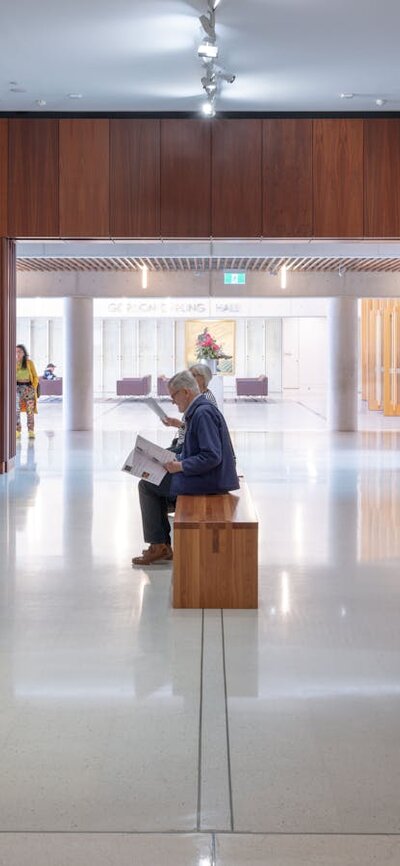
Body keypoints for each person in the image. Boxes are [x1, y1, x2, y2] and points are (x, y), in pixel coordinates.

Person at [132, 370, 239, 566]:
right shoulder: (199, 410)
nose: (173, 402)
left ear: (186, 392)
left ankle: (160, 546)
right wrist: (171, 458)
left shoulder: (203, 413)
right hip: (206, 475)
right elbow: (196, 450)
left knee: (147, 485)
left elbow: (211, 456)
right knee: (154, 480)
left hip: (211, 480)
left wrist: (180, 465)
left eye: (174, 396)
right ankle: (161, 543)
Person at [16, 344, 39, 440]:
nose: (17, 353)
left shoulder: (29, 363)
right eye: (16, 351)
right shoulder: (13, 362)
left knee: (30, 411)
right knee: (16, 410)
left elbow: (35, 376)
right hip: (17, 389)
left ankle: (31, 431)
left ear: (24, 353)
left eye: (19, 351)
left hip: (29, 388)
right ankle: (17, 430)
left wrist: (33, 386)